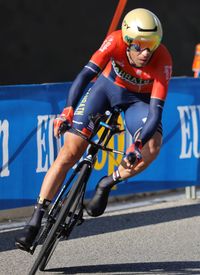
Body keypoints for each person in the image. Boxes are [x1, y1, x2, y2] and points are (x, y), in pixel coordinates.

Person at [15, 8, 172, 251]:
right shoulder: (115, 41)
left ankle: (107, 182)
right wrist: (68, 109)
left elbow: (155, 112)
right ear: (128, 41)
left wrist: (136, 144)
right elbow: (84, 76)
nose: (146, 52)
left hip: (138, 102)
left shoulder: (162, 60)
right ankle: (36, 218)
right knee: (70, 152)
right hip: (107, 89)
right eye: (140, 45)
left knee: (152, 147)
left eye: (152, 45)